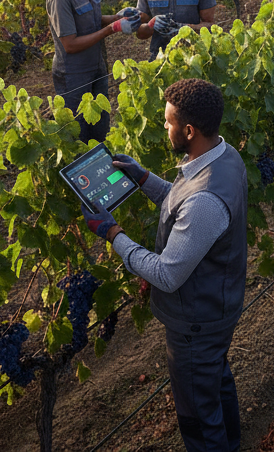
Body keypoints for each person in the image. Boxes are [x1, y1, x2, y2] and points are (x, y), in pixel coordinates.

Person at [84, 78, 247, 452]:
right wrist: (143, 179)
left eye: (168, 122)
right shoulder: (223, 155)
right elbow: (181, 203)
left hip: (196, 323)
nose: (164, 127)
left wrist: (113, 234)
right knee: (216, 381)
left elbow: (167, 274)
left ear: (189, 131)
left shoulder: (205, 202)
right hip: (216, 308)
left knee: (198, 414)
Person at [46, 0, 141, 142]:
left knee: (100, 129)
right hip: (73, 75)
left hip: (96, 66)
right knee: (79, 134)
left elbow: (91, 20)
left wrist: (115, 17)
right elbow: (69, 44)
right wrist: (112, 29)